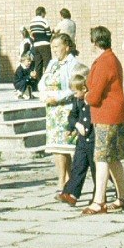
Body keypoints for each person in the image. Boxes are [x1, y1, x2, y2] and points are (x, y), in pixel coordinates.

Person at [82, 26, 124, 216]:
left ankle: (99, 200)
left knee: (101, 158)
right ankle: (123, 196)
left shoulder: (104, 62)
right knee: (113, 158)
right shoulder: (113, 59)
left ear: (94, 42)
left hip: (105, 115)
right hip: (115, 114)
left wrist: (86, 96)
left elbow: (95, 95)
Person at [39, 33, 82, 195]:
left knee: (64, 146)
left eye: (57, 46)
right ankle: (65, 179)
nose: (54, 50)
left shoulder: (73, 64)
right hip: (52, 111)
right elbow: (43, 82)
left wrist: (56, 97)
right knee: (56, 148)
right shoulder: (52, 63)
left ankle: (65, 180)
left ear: (67, 47)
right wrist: (43, 95)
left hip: (65, 108)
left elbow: (73, 87)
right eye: (53, 47)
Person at [56, 71, 95, 207]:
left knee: (96, 169)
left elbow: (91, 116)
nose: (74, 95)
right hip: (82, 139)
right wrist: (72, 126)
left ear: (84, 89)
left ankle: (100, 195)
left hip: (92, 138)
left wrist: (85, 126)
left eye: (76, 92)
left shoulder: (90, 100)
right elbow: (72, 115)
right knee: (78, 166)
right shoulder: (77, 100)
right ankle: (72, 193)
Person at [29, 7, 53, 81]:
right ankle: (47, 80)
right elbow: (48, 34)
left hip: (36, 45)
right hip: (45, 44)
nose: (45, 15)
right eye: (44, 13)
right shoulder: (44, 21)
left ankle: (39, 82)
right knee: (47, 63)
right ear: (42, 12)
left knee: (38, 64)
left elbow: (32, 34)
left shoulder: (31, 22)